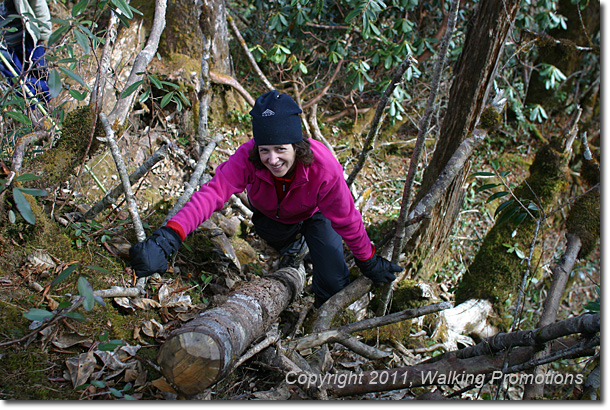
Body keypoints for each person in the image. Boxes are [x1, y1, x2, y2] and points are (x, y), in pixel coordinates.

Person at [129, 90, 402, 307]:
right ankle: (295, 248)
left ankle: (320, 323)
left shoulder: (323, 168)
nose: (272, 159)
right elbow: (212, 194)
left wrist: (368, 260)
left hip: (316, 216)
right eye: (265, 150)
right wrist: (169, 237)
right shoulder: (248, 157)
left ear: (296, 146)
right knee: (270, 230)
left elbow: (347, 218)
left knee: (333, 281)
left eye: (281, 149)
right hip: (273, 220)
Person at [0, 0, 52, 101]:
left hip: (29, 37)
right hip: (5, 45)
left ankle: (47, 107)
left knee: (41, 78)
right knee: (19, 83)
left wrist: (44, 33)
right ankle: (32, 109)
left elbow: (38, 4)